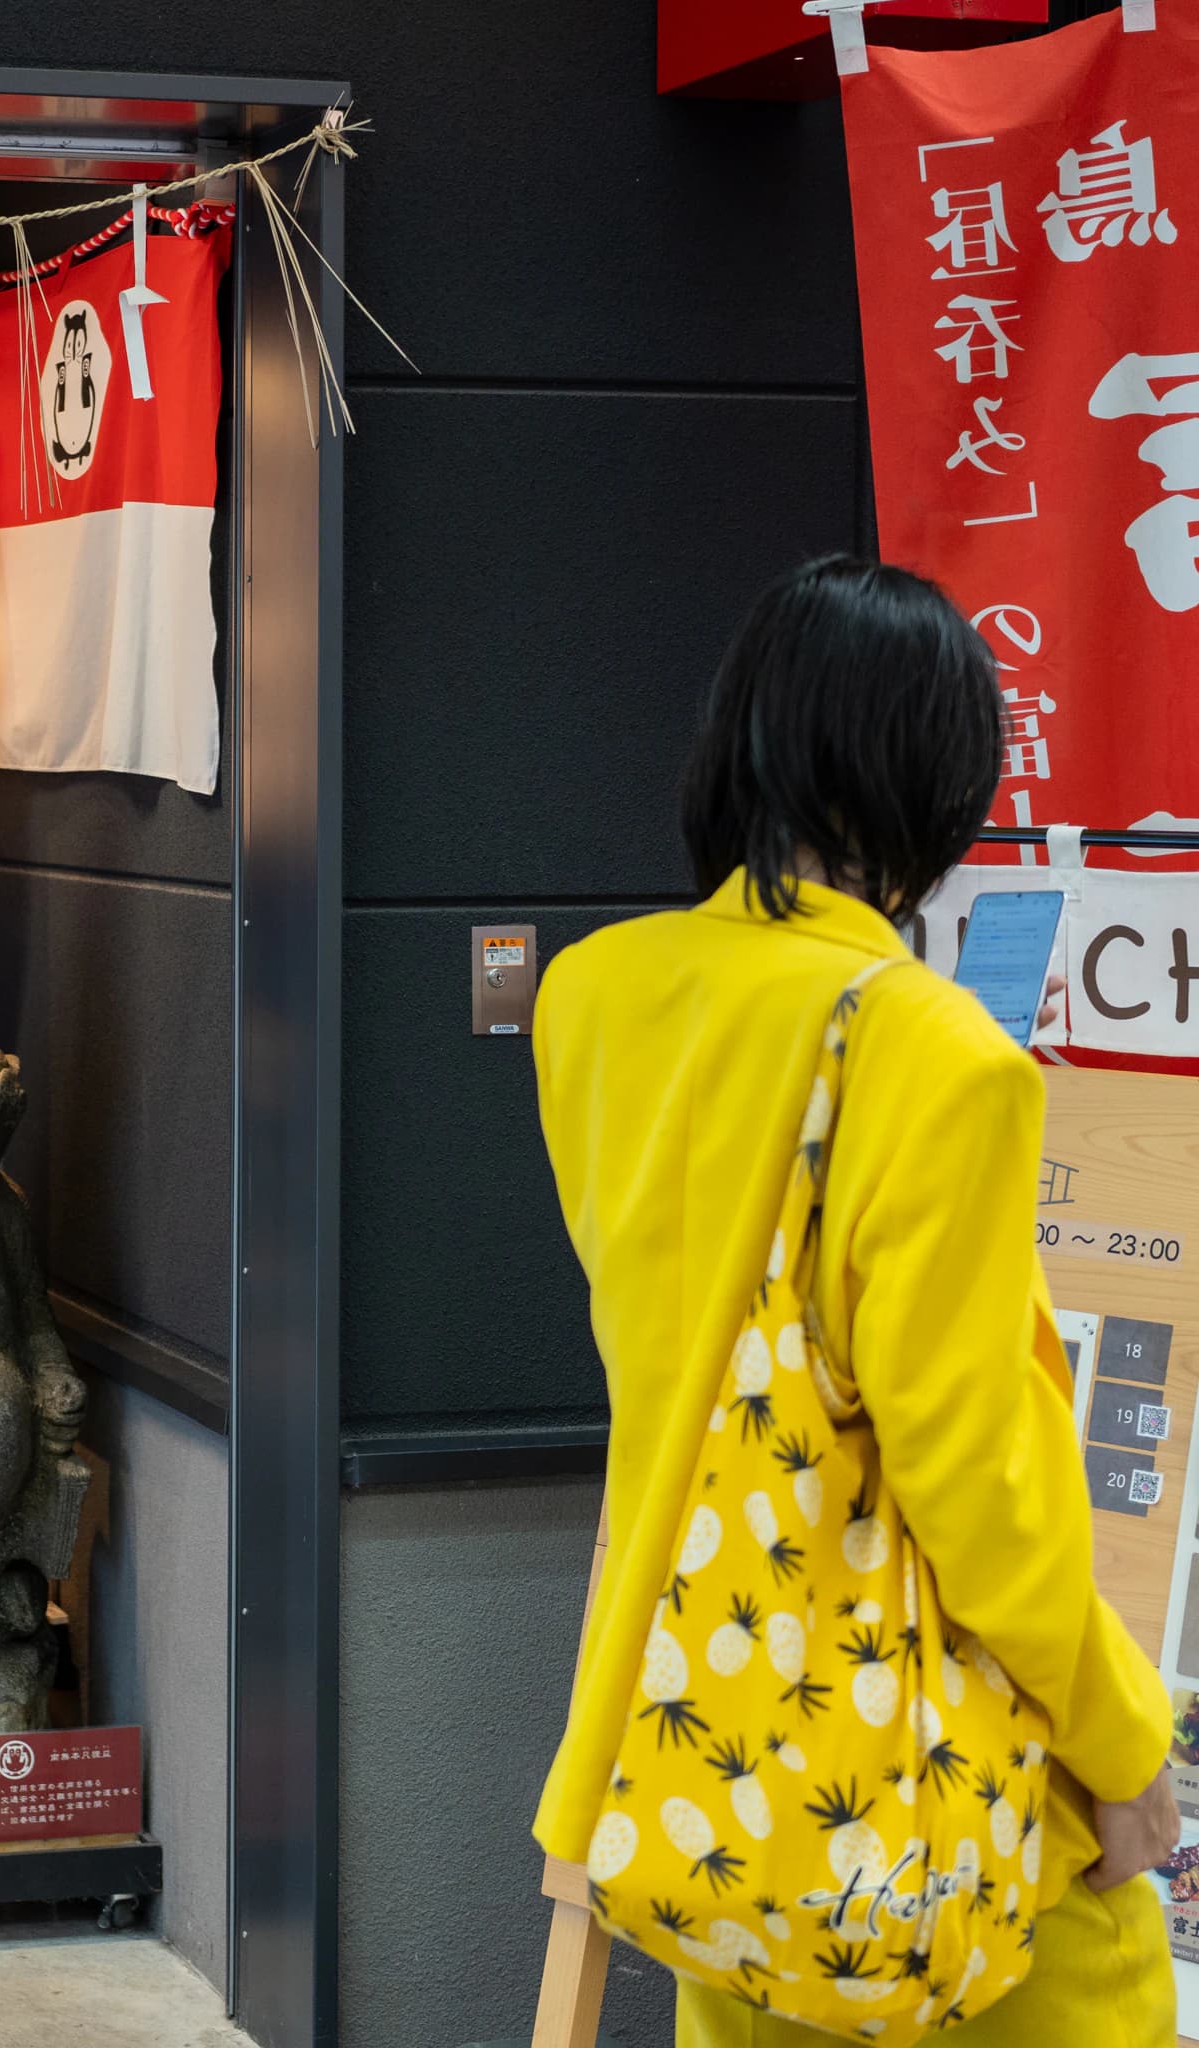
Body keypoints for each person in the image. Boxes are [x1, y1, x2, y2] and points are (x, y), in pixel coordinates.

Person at [531, 557, 1178, 2046]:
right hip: (912, 1768)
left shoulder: (595, 1000)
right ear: (934, 782)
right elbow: (980, 1482)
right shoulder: (935, 1056)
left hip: (695, 1738)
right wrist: (1124, 1745)